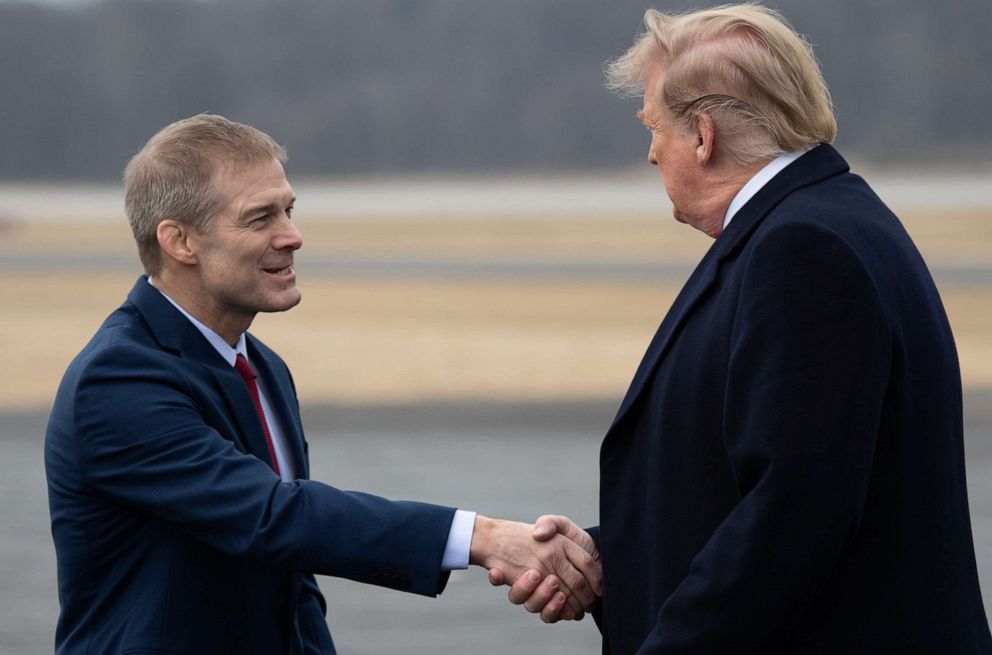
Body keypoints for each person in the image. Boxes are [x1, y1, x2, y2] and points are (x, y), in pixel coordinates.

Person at [501, 4, 992, 652]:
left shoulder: (806, 252)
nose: (650, 153)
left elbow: (789, 525)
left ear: (703, 135)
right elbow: (757, 484)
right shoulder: (826, 221)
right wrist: (609, 561)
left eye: (653, 126)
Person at [44, 114, 601, 654]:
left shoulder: (262, 365)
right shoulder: (117, 381)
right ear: (179, 241)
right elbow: (273, 518)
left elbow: (291, 580)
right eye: (260, 218)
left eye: (289, 210)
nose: (293, 236)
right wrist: (481, 538)